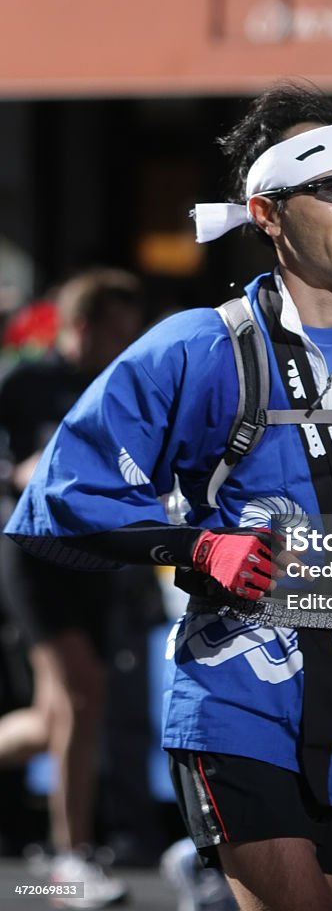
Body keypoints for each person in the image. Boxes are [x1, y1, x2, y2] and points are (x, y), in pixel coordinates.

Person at [5, 81, 332, 911]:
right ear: (267, 212)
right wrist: (196, 546)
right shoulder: (196, 347)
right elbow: (67, 492)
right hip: (235, 693)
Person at [0, 268, 145, 907]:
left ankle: (71, 854)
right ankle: (69, 858)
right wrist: (21, 472)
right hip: (31, 557)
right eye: (116, 332)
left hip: (93, 561)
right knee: (82, 696)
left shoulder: (120, 390)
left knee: (61, 714)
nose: (126, 345)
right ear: (83, 327)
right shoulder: (24, 382)